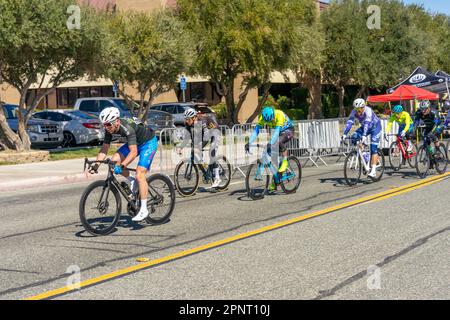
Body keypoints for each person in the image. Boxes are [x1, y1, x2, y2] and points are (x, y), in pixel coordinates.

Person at [92, 107, 158, 222]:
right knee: (114, 161)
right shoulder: (110, 129)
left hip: (148, 142)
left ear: (116, 121)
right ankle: (131, 180)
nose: (106, 127)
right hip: (134, 143)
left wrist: (122, 166)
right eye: (104, 125)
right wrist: (96, 165)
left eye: (108, 124)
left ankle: (143, 209)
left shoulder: (127, 128)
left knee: (140, 174)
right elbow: (104, 148)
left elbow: (133, 152)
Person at [245, 106, 294, 190]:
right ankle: (275, 179)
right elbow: (256, 131)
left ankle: (285, 161)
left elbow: (277, 133)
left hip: (288, 130)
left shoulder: (279, 114)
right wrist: (249, 142)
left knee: (279, 141)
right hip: (276, 132)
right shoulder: (262, 118)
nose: (270, 121)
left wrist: (270, 143)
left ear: (273, 115)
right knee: (273, 156)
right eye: (268, 121)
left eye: (271, 119)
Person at [341, 98, 382, 178]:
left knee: (373, 148)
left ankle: (373, 170)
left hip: (375, 128)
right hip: (364, 127)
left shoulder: (368, 110)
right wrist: (345, 134)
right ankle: (365, 155)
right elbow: (350, 123)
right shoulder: (354, 112)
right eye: (356, 109)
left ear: (364, 107)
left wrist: (364, 135)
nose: (358, 111)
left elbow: (367, 123)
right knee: (354, 137)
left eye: (360, 108)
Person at [182, 107, 222, 188]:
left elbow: (207, 137)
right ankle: (206, 171)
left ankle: (217, 178)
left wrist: (199, 147)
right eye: (186, 119)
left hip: (214, 132)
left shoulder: (202, 121)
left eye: (188, 119)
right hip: (203, 134)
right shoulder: (188, 124)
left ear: (194, 118)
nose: (187, 121)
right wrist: (180, 147)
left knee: (211, 152)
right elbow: (187, 137)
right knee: (195, 151)